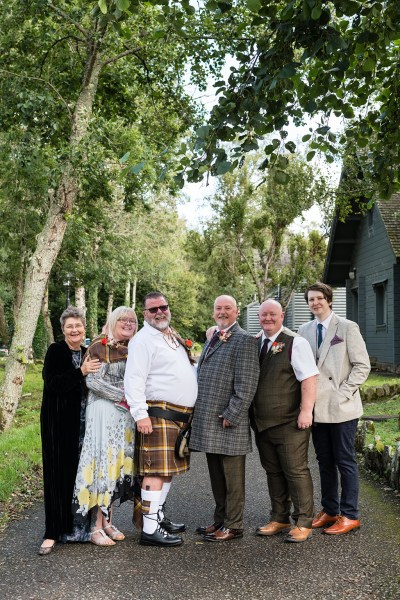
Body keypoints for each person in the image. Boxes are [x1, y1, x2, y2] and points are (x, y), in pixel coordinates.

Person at [124, 291, 198, 547]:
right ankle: (150, 529)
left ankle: (158, 517)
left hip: (178, 416)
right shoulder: (143, 340)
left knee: (167, 472)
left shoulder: (170, 335)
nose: (159, 312)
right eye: (153, 309)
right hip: (157, 414)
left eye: (162, 307)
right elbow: (133, 379)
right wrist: (140, 414)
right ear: (145, 314)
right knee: (155, 471)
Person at [298, 282, 370, 535]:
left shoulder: (348, 327)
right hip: (317, 407)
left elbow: (362, 366)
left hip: (342, 408)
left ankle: (350, 515)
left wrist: (344, 392)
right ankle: (330, 510)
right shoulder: (304, 330)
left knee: (345, 460)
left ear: (329, 300)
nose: (315, 303)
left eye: (319, 298)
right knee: (324, 461)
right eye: (310, 300)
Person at [190, 295, 259, 542]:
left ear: (236, 312)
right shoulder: (214, 337)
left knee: (233, 479)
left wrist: (233, 414)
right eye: (218, 308)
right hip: (209, 421)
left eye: (227, 308)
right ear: (213, 312)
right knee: (217, 477)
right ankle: (220, 520)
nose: (222, 312)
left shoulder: (245, 340)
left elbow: (248, 383)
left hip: (229, 421)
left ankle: (234, 525)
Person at [251, 299, 319, 543]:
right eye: (263, 315)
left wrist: (306, 411)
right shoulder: (256, 342)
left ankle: (303, 521)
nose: (267, 318)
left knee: (296, 471)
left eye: (272, 314)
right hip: (261, 422)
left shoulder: (295, 343)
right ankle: (279, 518)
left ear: (282, 316)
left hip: (290, 422)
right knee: (273, 472)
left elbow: (309, 379)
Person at [72, 306, 137, 546]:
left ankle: (107, 521)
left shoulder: (134, 349)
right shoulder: (99, 346)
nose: (128, 323)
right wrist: (127, 395)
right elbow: (94, 382)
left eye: (132, 320)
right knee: (102, 465)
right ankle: (94, 527)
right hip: (104, 412)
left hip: (125, 416)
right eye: (123, 319)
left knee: (116, 467)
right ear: (112, 321)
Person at [39, 306, 101, 556]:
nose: (74, 330)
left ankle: (82, 529)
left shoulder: (89, 352)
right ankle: (52, 532)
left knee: (82, 476)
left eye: (78, 325)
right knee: (57, 476)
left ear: (84, 327)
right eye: (69, 326)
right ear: (62, 329)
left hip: (85, 424)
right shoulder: (56, 351)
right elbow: (54, 383)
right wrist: (81, 372)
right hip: (59, 424)